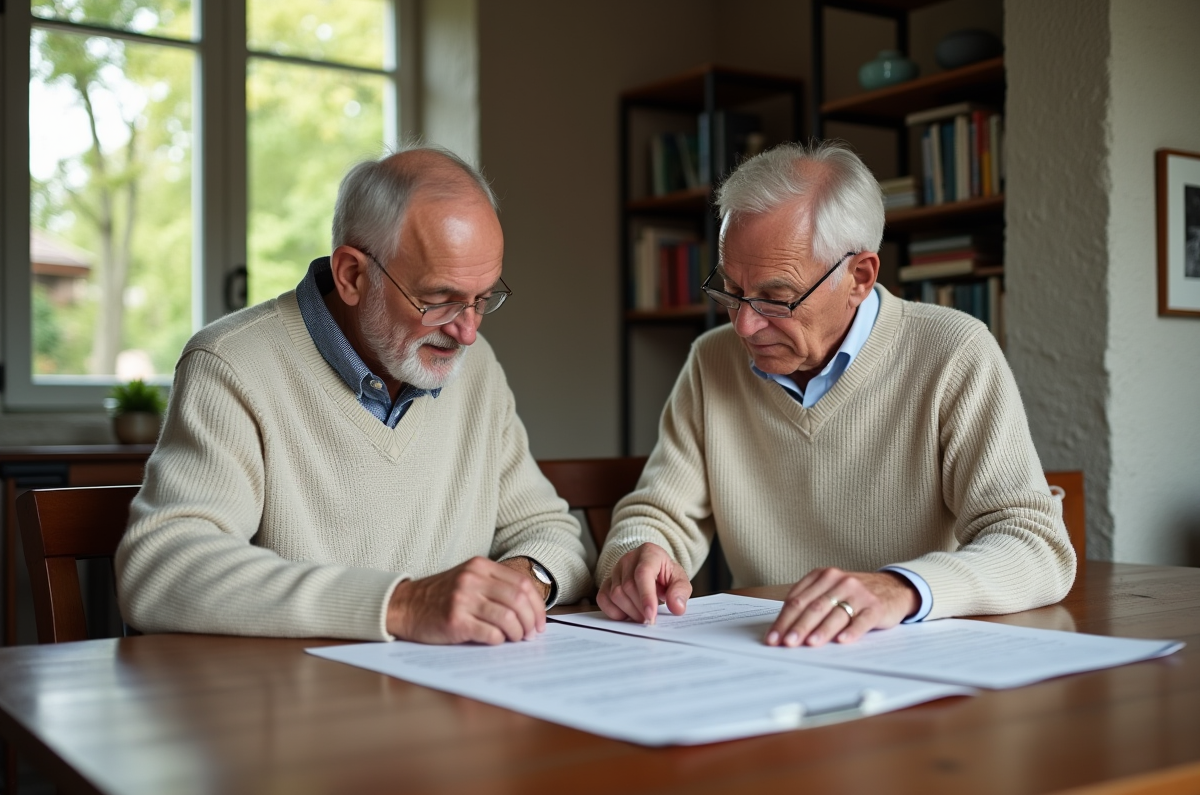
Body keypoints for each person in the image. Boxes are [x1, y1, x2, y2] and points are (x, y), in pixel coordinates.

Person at [596, 141, 1075, 648]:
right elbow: (659, 513)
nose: (745, 324)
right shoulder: (710, 361)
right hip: (770, 657)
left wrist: (898, 589)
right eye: (731, 290)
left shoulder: (954, 352)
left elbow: (1034, 544)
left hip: (922, 664)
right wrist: (639, 552)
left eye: (776, 299)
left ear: (859, 277)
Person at [117, 146, 590, 644]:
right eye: (439, 301)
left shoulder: (477, 372)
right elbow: (162, 567)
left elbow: (554, 536)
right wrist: (404, 605)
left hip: (447, 701)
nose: (467, 332)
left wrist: (524, 580)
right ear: (351, 275)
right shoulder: (232, 364)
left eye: (483, 299)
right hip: (293, 706)